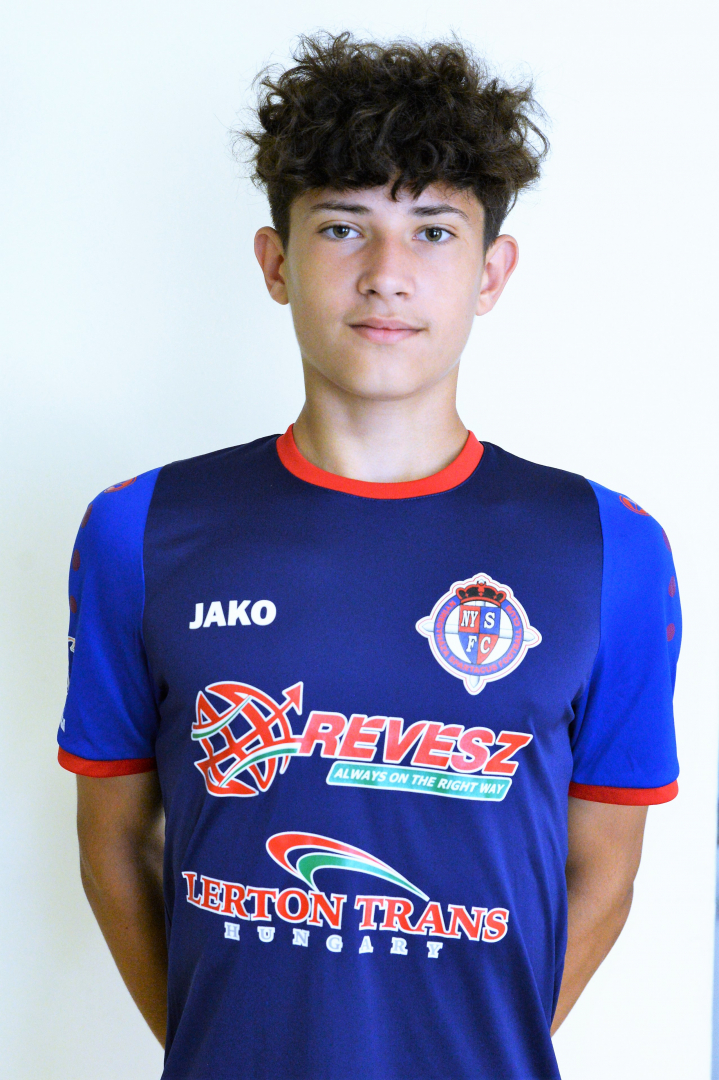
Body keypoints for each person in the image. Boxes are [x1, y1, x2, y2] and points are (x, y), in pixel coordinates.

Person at [58, 32, 681, 1080]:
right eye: (342, 227)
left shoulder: (607, 547)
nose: (387, 275)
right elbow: (115, 847)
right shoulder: (140, 529)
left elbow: (603, 873)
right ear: (276, 263)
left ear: (490, 273)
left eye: (432, 231)